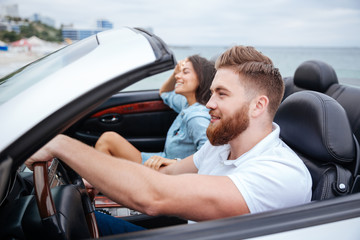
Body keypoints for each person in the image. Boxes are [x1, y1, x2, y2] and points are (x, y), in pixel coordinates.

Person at [26, 45, 312, 236]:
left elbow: (155, 195)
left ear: (258, 105)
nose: (209, 103)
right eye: (211, 92)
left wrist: (60, 144)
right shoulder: (222, 145)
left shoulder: (280, 174)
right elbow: (163, 174)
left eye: (221, 94)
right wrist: (93, 181)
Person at [95, 55, 216, 169]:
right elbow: (164, 92)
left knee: (108, 140)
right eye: (179, 72)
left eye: (185, 72)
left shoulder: (196, 117)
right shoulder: (186, 104)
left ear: (201, 78)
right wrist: (175, 71)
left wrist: (175, 162)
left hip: (171, 171)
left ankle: (95, 186)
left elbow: (209, 157)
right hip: (161, 160)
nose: (177, 76)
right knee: (108, 139)